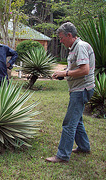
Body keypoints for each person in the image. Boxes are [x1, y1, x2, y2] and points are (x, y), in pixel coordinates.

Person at [46, 22, 95, 163]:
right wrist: (63, 74)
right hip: (79, 88)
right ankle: (84, 147)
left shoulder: (80, 47)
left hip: (81, 90)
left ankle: (62, 155)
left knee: (69, 123)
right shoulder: (74, 48)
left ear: (69, 35)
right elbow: (77, 69)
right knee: (77, 119)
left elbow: (85, 70)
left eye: (61, 38)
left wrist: (65, 72)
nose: (60, 41)